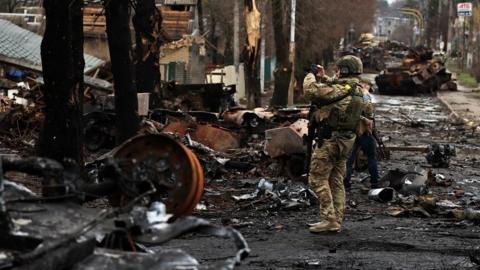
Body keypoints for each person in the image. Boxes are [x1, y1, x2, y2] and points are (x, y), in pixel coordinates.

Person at [303, 55, 368, 233]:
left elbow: (311, 92)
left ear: (344, 70)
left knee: (316, 178)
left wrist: (311, 75)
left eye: (339, 70)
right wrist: (324, 76)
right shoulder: (358, 90)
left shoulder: (342, 89)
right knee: (336, 180)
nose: (336, 73)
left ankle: (329, 218)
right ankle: (336, 219)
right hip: (346, 142)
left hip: (330, 141)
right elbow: (337, 88)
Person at [344, 81, 379, 191]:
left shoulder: (350, 95)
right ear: (365, 85)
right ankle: (375, 183)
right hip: (365, 132)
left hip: (351, 131)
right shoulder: (365, 95)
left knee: (349, 159)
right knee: (372, 157)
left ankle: (346, 183)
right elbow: (370, 114)